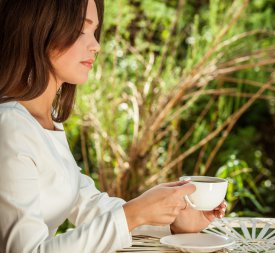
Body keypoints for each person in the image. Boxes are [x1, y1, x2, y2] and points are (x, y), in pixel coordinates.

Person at [0, 0, 227, 252]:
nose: (95, 45)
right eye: (80, 30)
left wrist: (171, 219)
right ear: (38, 29)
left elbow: (86, 204)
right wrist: (132, 214)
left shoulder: (45, 120)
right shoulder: (9, 127)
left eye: (94, 31)